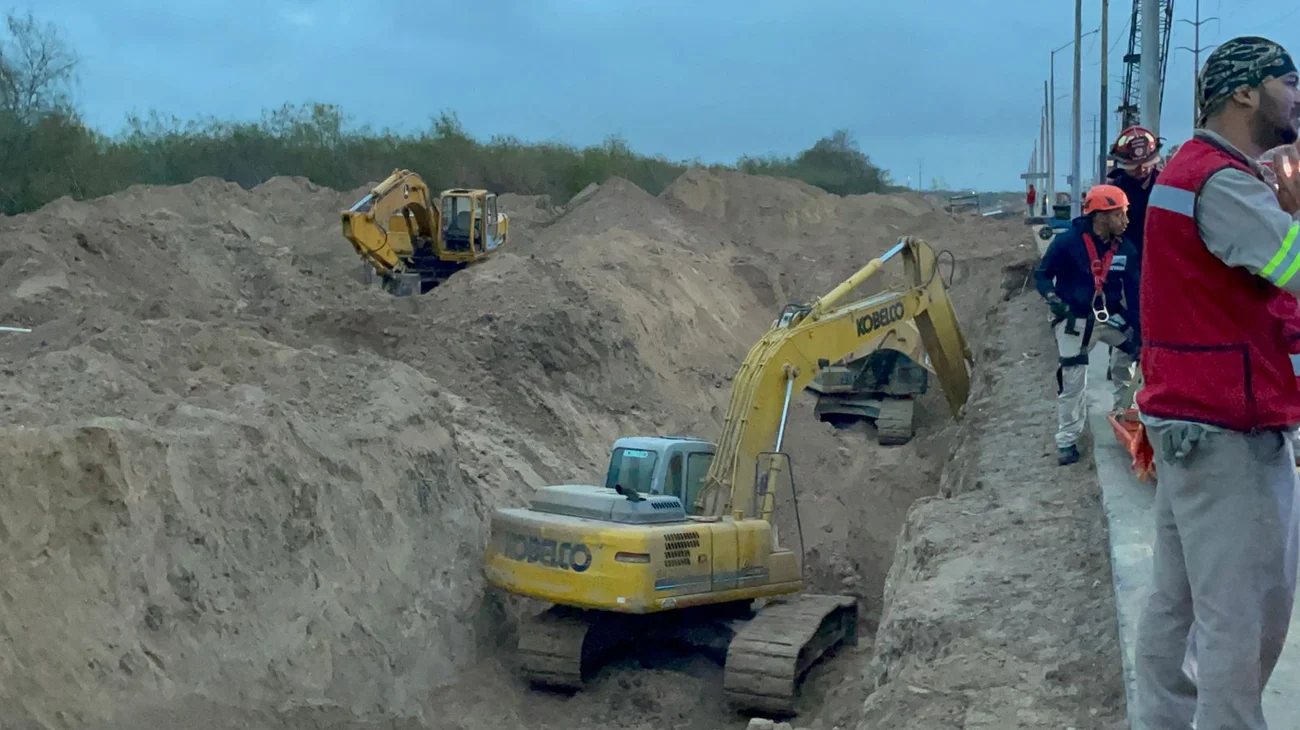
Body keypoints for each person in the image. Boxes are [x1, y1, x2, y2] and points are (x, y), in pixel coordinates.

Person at [1132, 35, 1300, 730]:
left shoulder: (1192, 170)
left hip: (1189, 423)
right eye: (1290, 84)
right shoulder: (1222, 182)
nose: (1297, 100)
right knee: (1246, 614)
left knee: (1178, 609)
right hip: (1228, 433)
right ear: (1245, 92)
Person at [1034, 183, 1142, 466]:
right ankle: (1067, 441)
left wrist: (1141, 333)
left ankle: (1125, 416)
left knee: (1129, 365)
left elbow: (1134, 292)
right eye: (1120, 215)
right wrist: (1052, 297)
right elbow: (1042, 275)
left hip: (1111, 317)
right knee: (1072, 380)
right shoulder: (1068, 243)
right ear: (1102, 216)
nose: (1126, 221)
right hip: (1075, 319)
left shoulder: (1126, 249)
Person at [1107, 125, 1165, 253]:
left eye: (1146, 165)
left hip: (1160, 253)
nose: (1141, 170)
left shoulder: (1165, 186)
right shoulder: (1114, 190)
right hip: (1126, 254)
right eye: (1133, 167)